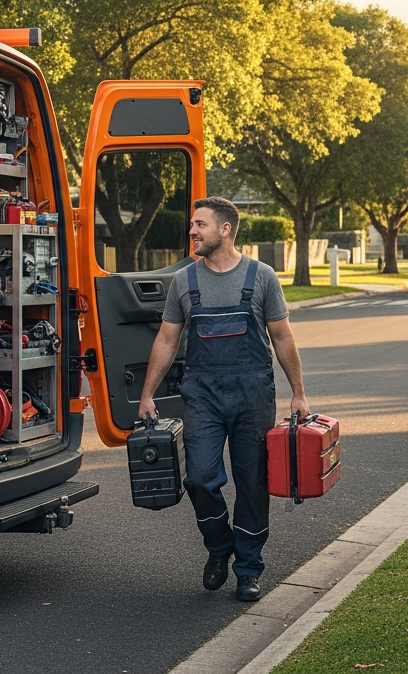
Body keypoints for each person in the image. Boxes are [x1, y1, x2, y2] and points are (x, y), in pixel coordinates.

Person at [138, 197, 309, 602]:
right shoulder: (184, 281)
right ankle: (219, 547)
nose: (192, 231)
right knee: (199, 477)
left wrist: (298, 394)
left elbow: (282, 337)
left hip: (253, 393)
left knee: (253, 483)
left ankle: (248, 569)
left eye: (200, 224)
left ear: (225, 229)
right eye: (193, 225)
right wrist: (146, 394)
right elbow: (166, 339)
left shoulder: (261, 276)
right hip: (204, 394)